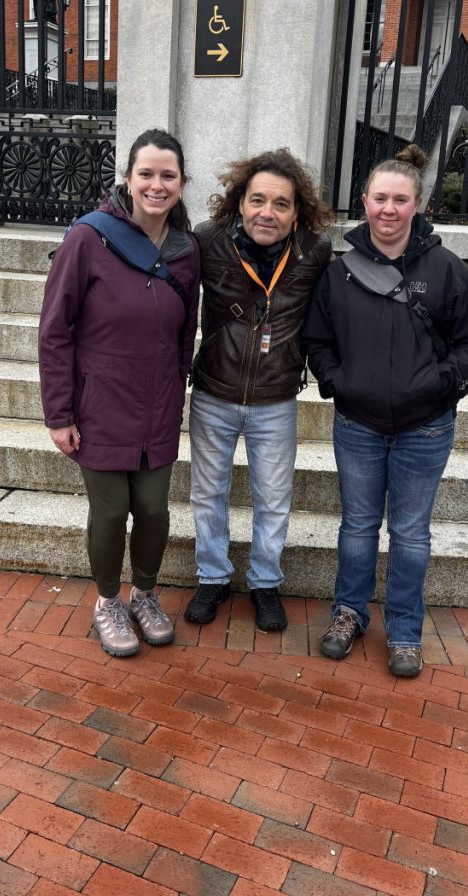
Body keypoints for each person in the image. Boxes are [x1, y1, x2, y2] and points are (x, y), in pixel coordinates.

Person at [302, 145, 468, 675]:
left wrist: (440, 384)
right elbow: (317, 340)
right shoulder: (339, 273)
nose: (389, 209)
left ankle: (405, 630)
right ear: (364, 201)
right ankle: (348, 612)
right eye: (380, 198)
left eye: (400, 199)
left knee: (410, 534)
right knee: (358, 526)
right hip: (357, 424)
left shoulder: (448, 270)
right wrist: (336, 381)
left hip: (425, 429)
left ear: (417, 204)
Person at [38, 129, 200, 657]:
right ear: (128, 178)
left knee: (153, 510)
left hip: (157, 407)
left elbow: (185, 331)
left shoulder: (185, 250)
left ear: (181, 184)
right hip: (100, 404)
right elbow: (55, 330)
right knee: (110, 513)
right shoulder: (88, 238)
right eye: (146, 173)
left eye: (168, 175)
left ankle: (145, 594)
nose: (157, 185)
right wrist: (59, 412)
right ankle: (108, 601)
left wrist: (176, 395)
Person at [185, 149, 333, 632]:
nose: (267, 212)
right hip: (214, 391)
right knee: (209, 493)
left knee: (274, 498)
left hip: (275, 398)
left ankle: (265, 583)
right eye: (258, 200)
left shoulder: (315, 252)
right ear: (240, 203)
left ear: (297, 213)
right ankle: (213, 577)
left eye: (281, 204)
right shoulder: (207, 242)